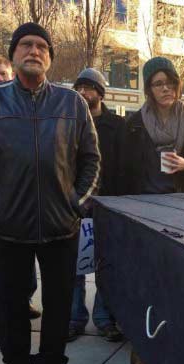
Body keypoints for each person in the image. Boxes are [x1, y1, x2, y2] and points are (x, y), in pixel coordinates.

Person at [0, 23, 100, 364]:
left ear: (50, 58)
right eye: (26, 44)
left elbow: (91, 160)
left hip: (61, 226)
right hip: (8, 227)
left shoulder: (72, 103)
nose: (34, 51)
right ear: (13, 54)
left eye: (42, 46)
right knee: (11, 304)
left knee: (58, 304)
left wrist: (77, 204)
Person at [120, 56, 184, 364]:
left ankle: (175, 346)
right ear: (149, 89)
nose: (166, 89)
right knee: (146, 283)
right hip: (146, 212)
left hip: (183, 212)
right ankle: (143, 353)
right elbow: (124, 171)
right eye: (158, 83)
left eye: (170, 82)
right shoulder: (134, 124)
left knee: (179, 282)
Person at [0, 53, 41, 322]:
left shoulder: (31, 106)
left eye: (2, 74)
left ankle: (24, 300)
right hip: (1, 210)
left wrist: (73, 203)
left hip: (36, 207)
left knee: (27, 268)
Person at [68, 68, 124, 343]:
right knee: (75, 266)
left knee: (107, 265)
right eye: (78, 88)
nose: (82, 92)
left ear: (100, 93)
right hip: (76, 206)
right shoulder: (69, 122)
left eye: (88, 87)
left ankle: (104, 318)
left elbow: (125, 166)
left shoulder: (118, 126)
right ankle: (74, 318)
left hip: (108, 205)